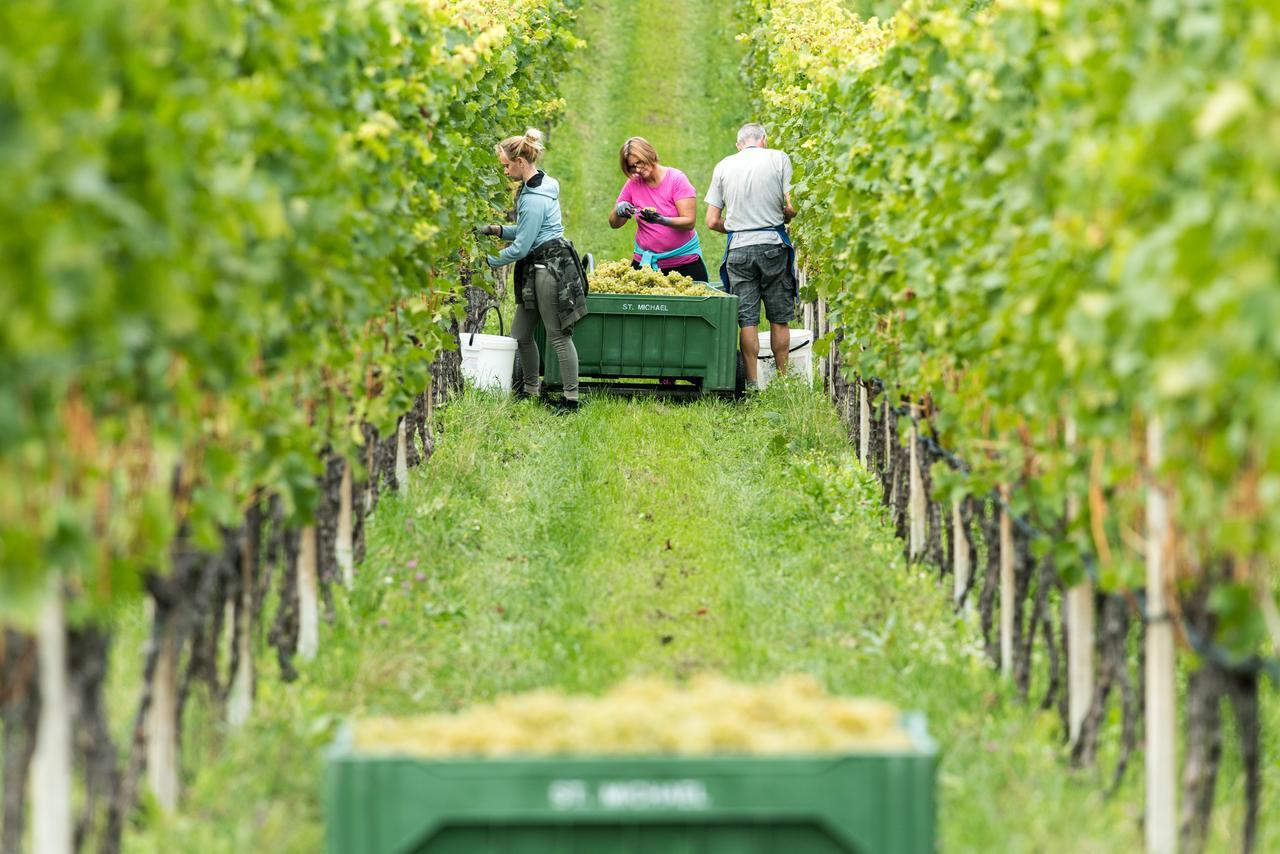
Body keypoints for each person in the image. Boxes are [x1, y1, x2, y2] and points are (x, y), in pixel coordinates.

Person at [476, 128, 588, 413]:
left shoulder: (535, 197)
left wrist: (486, 261)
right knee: (521, 333)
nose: (505, 170)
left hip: (549, 269)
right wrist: (497, 230)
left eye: (506, 165)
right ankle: (530, 390)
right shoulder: (534, 185)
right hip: (537, 266)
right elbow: (527, 231)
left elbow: (521, 247)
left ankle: (571, 399)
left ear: (521, 162)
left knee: (558, 336)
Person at [705, 122, 798, 389]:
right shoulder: (779, 158)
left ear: (739, 145)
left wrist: (737, 225)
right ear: (764, 140)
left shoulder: (723, 166)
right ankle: (782, 380)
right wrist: (784, 216)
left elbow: (711, 221)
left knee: (747, 319)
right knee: (779, 317)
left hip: (739, 250)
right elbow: (791, 206)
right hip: (772, 245)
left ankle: (752, 382)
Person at [608, 137, 708, 281]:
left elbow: (689, 222)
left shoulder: (676, 180)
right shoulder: (633, 183)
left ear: (650, 155)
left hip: (683, 262)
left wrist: (662, 220)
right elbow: (614, 224)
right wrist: (619, 210)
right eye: (632, 167)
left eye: (639, 163)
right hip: (646, 262)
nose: (637, 169)